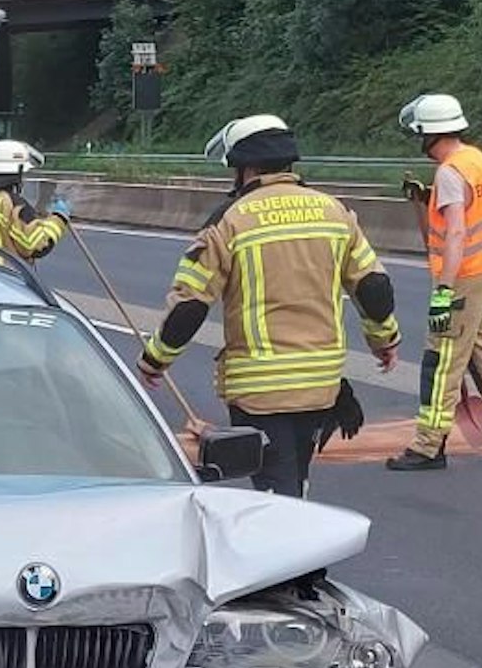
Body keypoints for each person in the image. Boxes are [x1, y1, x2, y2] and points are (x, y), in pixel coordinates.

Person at [138, 114, 401, 498]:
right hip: (320, 383)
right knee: (295, 483)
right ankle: (304, 545)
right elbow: (373, 287)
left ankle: (301, 555)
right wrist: (385, 339)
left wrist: (154, 360)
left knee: (276, 496)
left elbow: (190, 307)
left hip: (260, 390)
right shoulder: (333, 211)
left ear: (243, 165)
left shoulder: (230, 220)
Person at [389, 93, 482, 470]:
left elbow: (454, 234)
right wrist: (425, 202)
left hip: (463, 279)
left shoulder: (450, 173)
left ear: (427, 133)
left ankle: (428, 446)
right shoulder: (477, 160)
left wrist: (443, 291)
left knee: (442, 360)